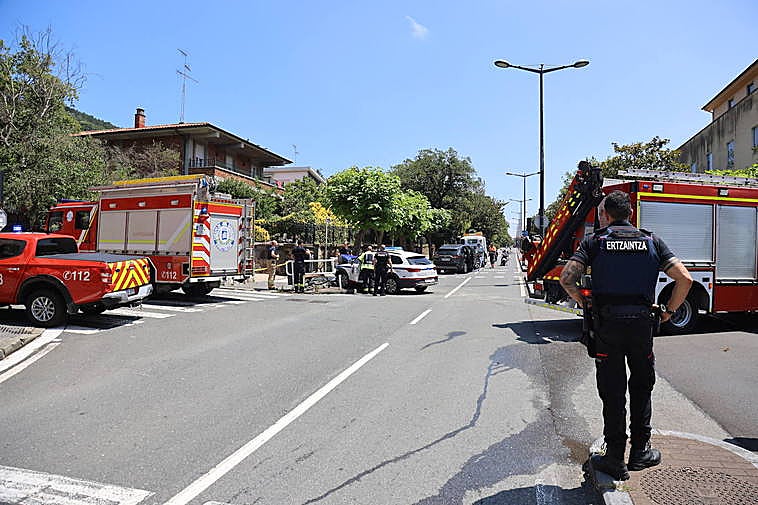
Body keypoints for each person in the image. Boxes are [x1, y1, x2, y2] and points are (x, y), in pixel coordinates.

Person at [559, 190, 693, 481]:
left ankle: (615, 457)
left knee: (612, 389)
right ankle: (640, 452)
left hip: (607, 326)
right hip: (642, 325)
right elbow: (685, 278)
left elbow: (566, 278)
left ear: (605, 215)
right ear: (630, 214)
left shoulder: (594, 242)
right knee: (642, 386)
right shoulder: (651, 241)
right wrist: (669, 311)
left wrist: (587, 304)